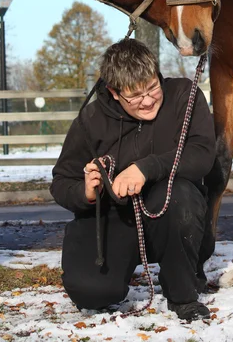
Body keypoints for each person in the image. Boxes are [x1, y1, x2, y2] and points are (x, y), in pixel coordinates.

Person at [50, 38, 216, 321]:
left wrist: (146, 168)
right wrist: (86, 192)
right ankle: (109, 278)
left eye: (152, 87)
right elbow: (61, 181)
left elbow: (202, 155)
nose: (148, 99)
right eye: (135, 96)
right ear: (114, 92)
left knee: (181, 196)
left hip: (169, 214)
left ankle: (182, 295)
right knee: (93, 292)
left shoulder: (184, 97)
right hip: (114, 219)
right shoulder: (90, 120)